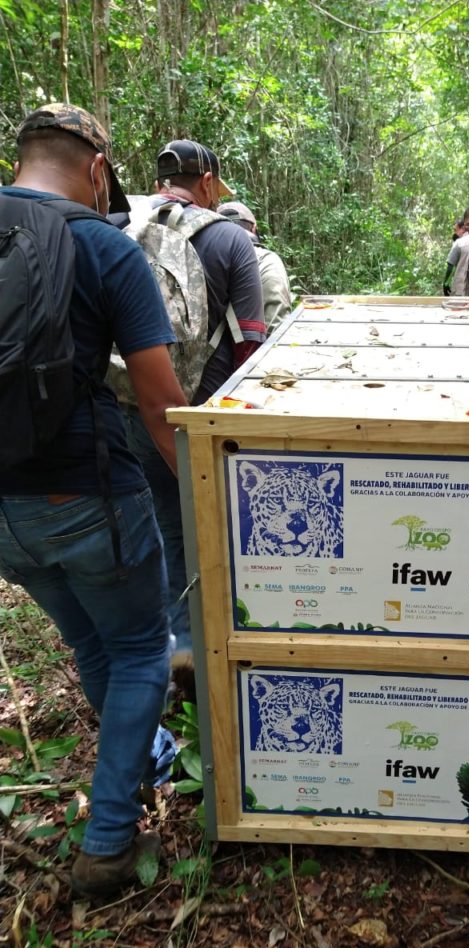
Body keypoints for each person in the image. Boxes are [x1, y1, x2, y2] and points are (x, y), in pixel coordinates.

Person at [0, 103, 188, 895]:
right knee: (143, 647)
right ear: (98, 168)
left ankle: (137, 759)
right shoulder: (106, 248)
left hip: (5, 521)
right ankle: (109, 840)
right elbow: (158, 405)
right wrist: (207, 499)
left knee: (92, 642)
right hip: (88, 499)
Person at [113, 142, 266, 683]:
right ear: (206, 182)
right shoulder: (229, 238)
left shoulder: (120, 229)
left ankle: (180, 645)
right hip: (210, 416)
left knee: (166, 530)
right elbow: (251, 343)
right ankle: (232, 651)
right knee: (225, 530)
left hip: (134, 410)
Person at [218, 200, 292, 335]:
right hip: (256, 350)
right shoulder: (266, 260)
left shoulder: (204, 259)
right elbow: (277, 325)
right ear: (253, 228)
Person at [443, 218, 469, 296]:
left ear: (462, 229)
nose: (455, 233)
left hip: (460, 287)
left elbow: (450, 266)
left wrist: (445, 284)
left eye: (456, 230)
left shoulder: (459, 243)